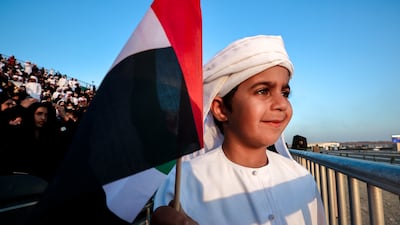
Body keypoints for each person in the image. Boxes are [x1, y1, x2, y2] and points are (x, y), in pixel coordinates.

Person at [151, 35, 327, 225]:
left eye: (285, 93)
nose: (282, 104)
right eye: (263, 91)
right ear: (221, 109)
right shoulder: (183, 184)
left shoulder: (300, 178)